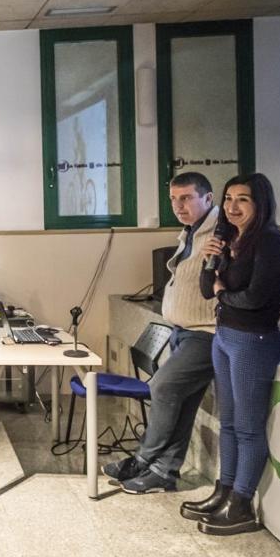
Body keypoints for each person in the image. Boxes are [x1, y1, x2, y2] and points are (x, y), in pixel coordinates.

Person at [104, 172, 219, 494]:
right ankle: (164, 471)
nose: (178, 206)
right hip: (183, 330)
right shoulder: (191, 231)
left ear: (207, 198)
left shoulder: (220, 232)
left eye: (186, 198)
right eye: (173, 199)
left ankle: (144, 459)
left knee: (164, 388)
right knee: (183, 402)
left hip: (207, 332)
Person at [193, 173, 280, 535]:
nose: (233, 207)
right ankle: (224, 491)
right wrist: (210, 261)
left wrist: (221, 291)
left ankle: (242, 505)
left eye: (243, 200)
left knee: (249, 428)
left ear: (259, 203)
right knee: (230, 423)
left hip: (254, 340)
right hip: (225, 336)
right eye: (229, 198)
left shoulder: (270, 242)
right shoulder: (228, 237)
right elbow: (206, 288)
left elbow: (254, 299)